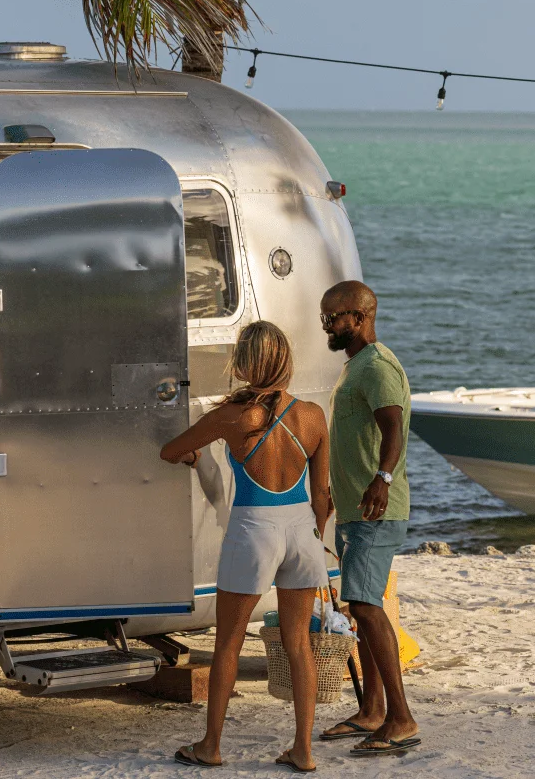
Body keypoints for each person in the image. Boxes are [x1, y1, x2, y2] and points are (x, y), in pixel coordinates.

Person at [159, 321, 331, 772]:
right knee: (298, 644)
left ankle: (211, 746)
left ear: (245, 363)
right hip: (302, 531)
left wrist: (195, 457)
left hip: (254, 529)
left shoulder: (234, 416)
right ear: (286, 361)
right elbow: (322, 499)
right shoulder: (313, 416)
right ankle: (303, 751)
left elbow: (170, 451)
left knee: (229, 644)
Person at [316, 280, 420, 756]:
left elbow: (393, 427)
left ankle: (401, 718)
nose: (327, 326)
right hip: (358, 508)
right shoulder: (356, 365)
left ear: (359, 317)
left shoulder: (376, 366)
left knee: (363, 605)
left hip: (375, 509)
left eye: (333, 318)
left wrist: (381, 477)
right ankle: (373, 710)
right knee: (364, 603)